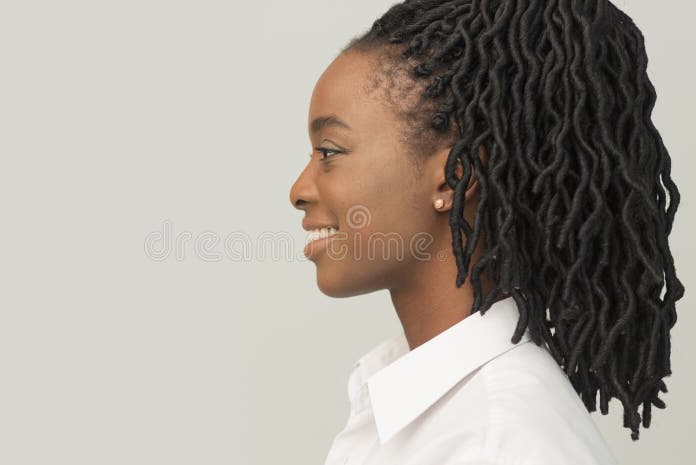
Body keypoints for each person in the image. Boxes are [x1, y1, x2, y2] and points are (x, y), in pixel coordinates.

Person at [288, 0, 684, 464]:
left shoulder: (501, 441)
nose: (299, 189)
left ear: (455, 175)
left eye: (330, 152)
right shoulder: (418, 407)